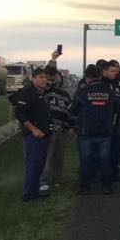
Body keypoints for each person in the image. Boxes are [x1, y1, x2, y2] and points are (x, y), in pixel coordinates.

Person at [72, 64, 119, 194]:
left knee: (85, 160)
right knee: (105, 159)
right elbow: (117, 109)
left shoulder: (81, 92)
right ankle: (106, 186)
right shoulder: (110, 92)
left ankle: (85, 187)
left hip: (86, 131)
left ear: (87, 78)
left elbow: (74, 110)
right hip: (105, 131)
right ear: (99, 76)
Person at [11, 68, 52, 202]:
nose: (44, 79)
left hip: (44, 134)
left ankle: (35, 192)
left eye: (45, 77)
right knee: (32, 165)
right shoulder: (27, 93)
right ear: (33, 78)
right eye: (41, 77)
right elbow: (19, 113)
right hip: (33, 136)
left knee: (39, 165)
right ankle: (28, 195)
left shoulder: (42, 93)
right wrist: (33, 129)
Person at [39, 65, 75, 193]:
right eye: (52, 77)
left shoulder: (65, 95)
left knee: (59, 157)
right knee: (47, 156)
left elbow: (70, 112)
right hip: (48, 129)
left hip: (62, 130)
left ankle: (57, 180)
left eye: (57, 77)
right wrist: (53, 59)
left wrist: (71, 126)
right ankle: (44, 181)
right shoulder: (43, 92)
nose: (55, 79)